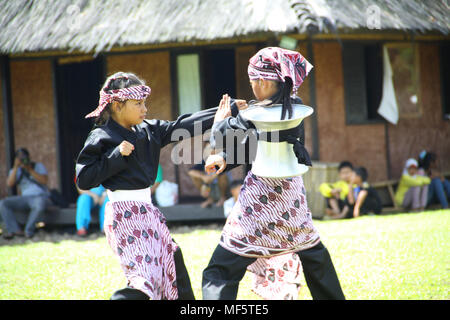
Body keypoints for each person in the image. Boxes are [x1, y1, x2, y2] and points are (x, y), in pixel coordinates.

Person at [75, 72, 240, 300]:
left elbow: (179, 125)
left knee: (172, 260)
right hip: (125, 217)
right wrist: (115, 155)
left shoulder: (148, 130)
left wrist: (223, 113)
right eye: (138, 104)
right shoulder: (102, 136)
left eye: (145, 103)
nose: (144, 109)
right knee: (143, 279)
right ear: (117, 105)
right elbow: (84, 178)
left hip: (148, 213)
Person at [202, 47, 345, 300]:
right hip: (292, 199)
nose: (252, 87)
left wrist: (221, 120)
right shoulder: (296, 109)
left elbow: (222, 137)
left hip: (258, 203)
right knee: (315, 258)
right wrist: (226, 159)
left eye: (252, 81)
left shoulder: (253, 115)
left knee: (220, 272)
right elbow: (262, 144)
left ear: (265, 81)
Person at [0, 148, 51, 239]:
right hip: (24, 198)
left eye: (24, 157)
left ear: (29, 157)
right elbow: (9, 183)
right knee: (3, 203)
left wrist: (29, 169)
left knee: (39, 204)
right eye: (20, 158)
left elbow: (44, 181)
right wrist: (16, 167)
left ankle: (28, 230)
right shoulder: (16, 170)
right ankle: (15, 230)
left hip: (40, 196)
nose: (23, 159)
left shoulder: (38, 166)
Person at [188, 143, 230, 208]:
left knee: (222, 176)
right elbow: (191, 171)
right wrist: (204, 178)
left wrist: (211, 178)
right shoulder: (205, 161)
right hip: (210, 189)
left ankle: (223, 198)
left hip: (225, 190)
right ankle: (210, 199)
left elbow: (223, 171)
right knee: (195, 176)